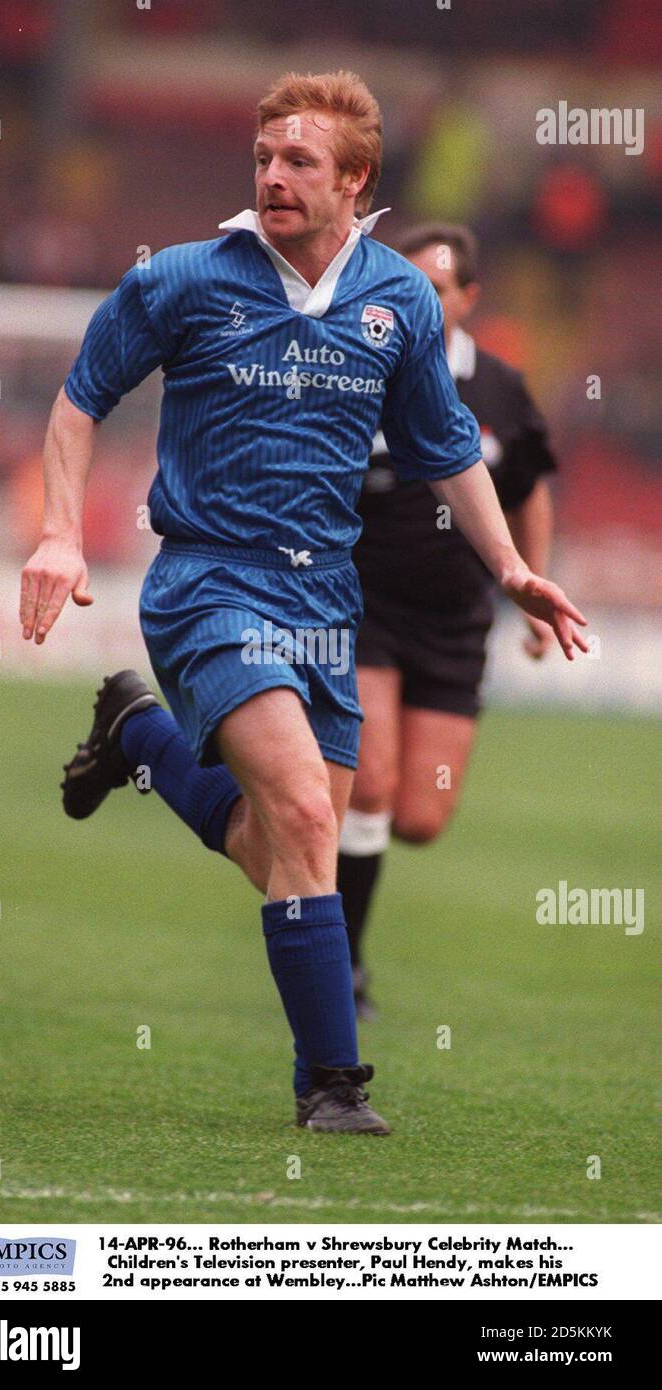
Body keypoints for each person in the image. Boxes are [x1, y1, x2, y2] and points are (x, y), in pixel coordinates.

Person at [19, 72, 587, 1136]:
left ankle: (140, 737)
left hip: (328, 598)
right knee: (310, 814)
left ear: (355, 179)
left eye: (299, 163)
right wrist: (58, 531)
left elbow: (447, 452)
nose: (274, 178)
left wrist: (510, 566)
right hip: (208, 583)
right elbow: (82, 394)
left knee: (284, 847)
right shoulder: (184, 279)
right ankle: (331, 1082)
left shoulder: (399, 301)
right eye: (263, 160)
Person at [338, 222, 560, 1019]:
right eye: (407, 286)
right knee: (369, 786)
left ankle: (308, 811)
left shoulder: (499, 389)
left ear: (466, 299)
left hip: (456, 624)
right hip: (358, 609)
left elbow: (528, 484)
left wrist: (529, 585)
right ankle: (342, 965)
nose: (418, 302)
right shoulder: (353, 366)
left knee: (420, 818)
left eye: (435, 289)